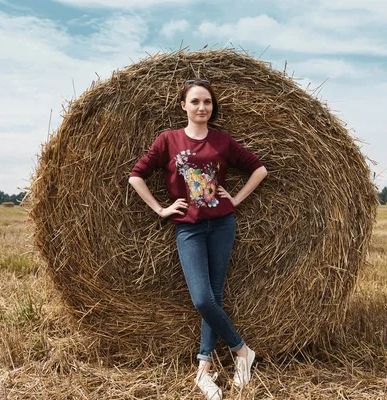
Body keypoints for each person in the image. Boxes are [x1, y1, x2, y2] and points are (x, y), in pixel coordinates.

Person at [128, 79, 268, 399]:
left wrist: (235, 200)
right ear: (184, 106)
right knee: (202, 299)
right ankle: (242, 350)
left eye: (207, 102)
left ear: (212, 106)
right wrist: (160, 209)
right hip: (188, 228)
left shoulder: (222, 141)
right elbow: (137, 175)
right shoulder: (168, 140)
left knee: (213, 298)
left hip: (221, 225)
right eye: (195, 102)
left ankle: (203, 372)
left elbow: (258, 169)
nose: (202, 107)